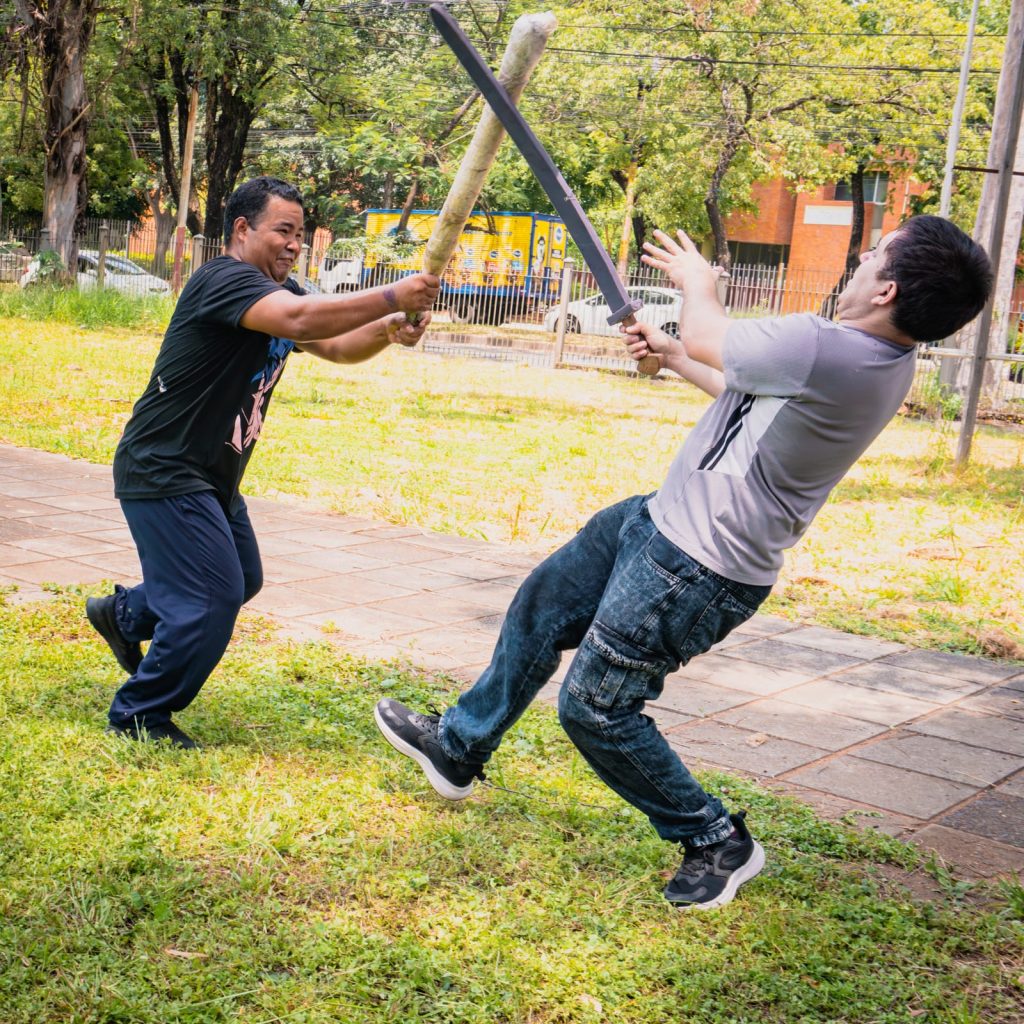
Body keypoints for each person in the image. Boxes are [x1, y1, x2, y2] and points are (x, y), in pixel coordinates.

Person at [373, 214, 992, 910]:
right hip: (660, 519)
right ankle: (459, 745)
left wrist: (698, 284)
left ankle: (715, 839)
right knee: (543, 606)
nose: (862, 257)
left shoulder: (824, 346)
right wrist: (669, 355)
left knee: (596, 709)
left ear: (887, 290)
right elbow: (745, 394)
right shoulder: (874, 360)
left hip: (695, 566)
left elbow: (709, 335)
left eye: (876, 253)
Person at [87, 176, 439, 749]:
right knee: (210, 597)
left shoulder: (279, 290)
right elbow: (300, 320)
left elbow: (334, 345)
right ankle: (139, 716)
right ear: (242, 229)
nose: (295, 244)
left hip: (213, 476)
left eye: (300, 233)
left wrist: (386, 330)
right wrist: (393, 296)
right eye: (283, 230)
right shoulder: (223, 280)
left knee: (242, 578)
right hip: (164, 465)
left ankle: (125, 616)